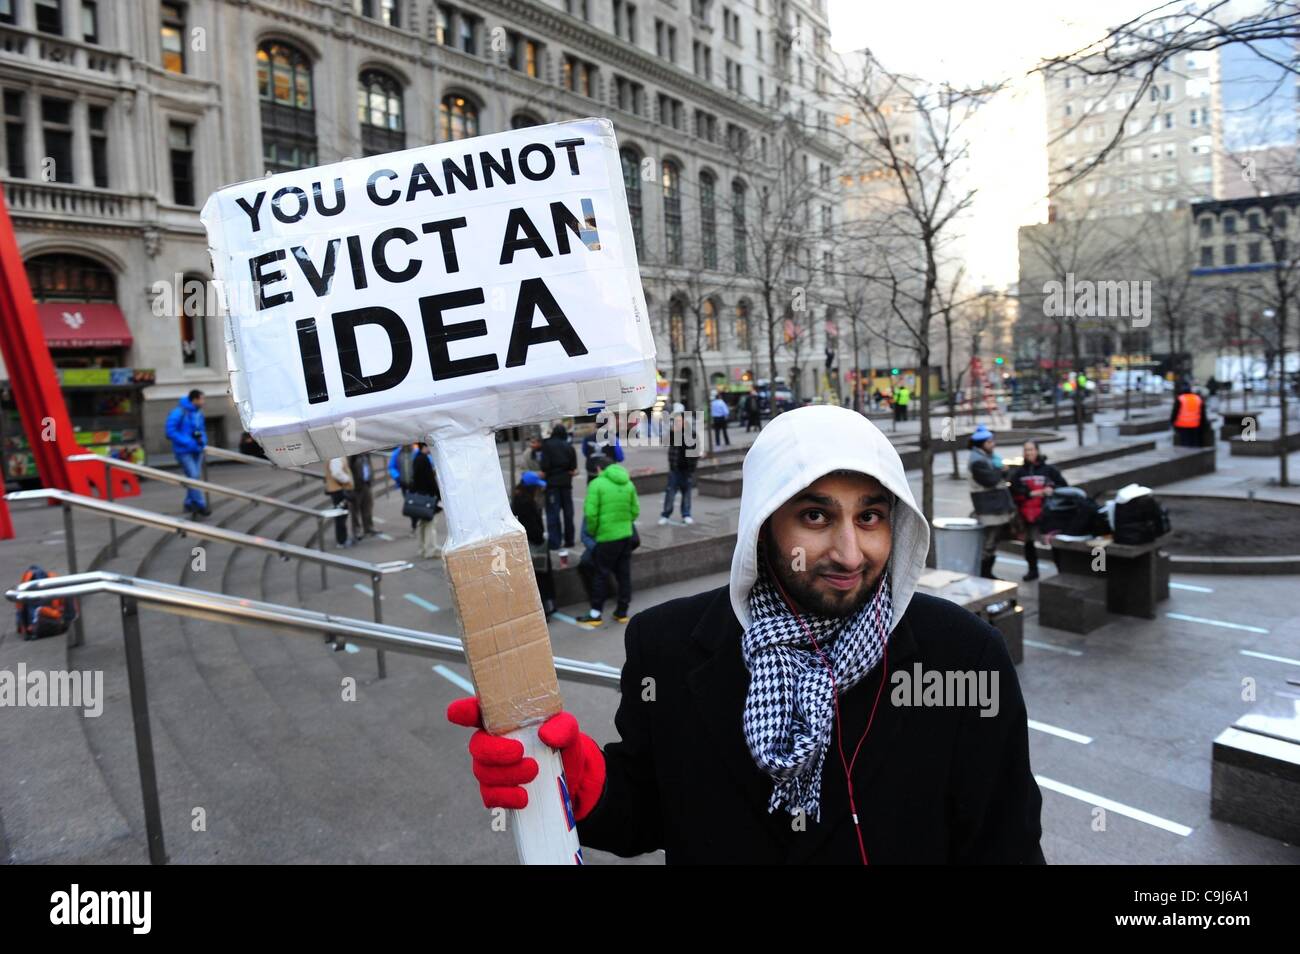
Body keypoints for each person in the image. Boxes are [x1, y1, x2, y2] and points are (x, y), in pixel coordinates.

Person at [446, 405, 1043, 863]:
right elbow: (648, 812)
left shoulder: (963, 659)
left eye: (870, 516)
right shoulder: (670, 647)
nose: (848, 552)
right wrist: (579, 781)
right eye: (815, 516)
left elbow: (1006, 847)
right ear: (763, 525)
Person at [578, 457, 639, 627]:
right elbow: (635, 511)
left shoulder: (596, 484)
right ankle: (622, 612)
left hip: (606, 538)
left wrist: (594, 531)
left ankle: (596, 613)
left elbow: (590, 514)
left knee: (600, 574)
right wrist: (624, 523)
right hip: (625, 535)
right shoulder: (628, 483)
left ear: (598, 468)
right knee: (624, 574)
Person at [1008, 440, 1068, 582]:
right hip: (1026, 514)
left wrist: (1051, 489)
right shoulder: (1019, 472)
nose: (1029, 453)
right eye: (1026, 450)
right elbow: (1014, 490)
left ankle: (1061, 570)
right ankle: (1033, 570)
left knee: (1054, 543)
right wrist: (1030, 494)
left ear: (1037, 451)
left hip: (1047, 513)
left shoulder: (1049, 470)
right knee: (1029, 543)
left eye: (1031, 450)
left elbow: (1063, 485)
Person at [967, 425, 1015, 579]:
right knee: (988, 544)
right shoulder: (977, 461)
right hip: (989, 509)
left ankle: (987, 573)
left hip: (995, 507)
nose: (992, 445)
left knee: (992, 543)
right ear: (981, 444)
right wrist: (1002, 470)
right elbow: (991, 480)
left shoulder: (985, 457)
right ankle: (984, 574)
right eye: (989, 442)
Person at [511, 471, 555, 619]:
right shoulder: (526, 503)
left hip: (528, 544)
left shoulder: (519, 498)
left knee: (538, 576)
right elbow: (533, 528)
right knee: (541, 576)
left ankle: (546, 607)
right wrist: (541, 539)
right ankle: (546, 608)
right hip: (534, 545)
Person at [165, 389, 209, 518]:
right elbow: (170, 431)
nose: (203, 402)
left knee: (193, 477)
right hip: (184, 451)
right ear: (194, 399)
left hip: (197, 449)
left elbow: (201, 429)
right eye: (201, 399)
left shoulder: (198, 413)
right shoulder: (178, 412)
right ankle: (200, 505)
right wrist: (188, 442)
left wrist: (203, 441)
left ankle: (189, 502)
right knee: (194, 476)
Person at [539, 423, 578, 551]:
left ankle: (555, 542)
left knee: (553, 514)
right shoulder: (569, 447)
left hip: (552, 484)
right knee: (568, 513)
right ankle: (569, 540)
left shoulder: (547, 446)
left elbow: (545, 465)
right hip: (566, 484)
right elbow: (573, 468)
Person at [659, 409, 697, 525]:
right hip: (675, 469)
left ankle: (686, 514)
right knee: (670, 493)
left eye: (680, 421)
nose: (678, 423)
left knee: (686, 493)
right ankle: (665, 515)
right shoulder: (673, 433)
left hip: (687, 469)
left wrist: (693, 468)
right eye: (676, 421)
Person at [410, 442, 441, 559]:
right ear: (425, 447)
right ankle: (430, 550)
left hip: (420, 497)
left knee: (423, 524)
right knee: (430, 524)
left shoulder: (416, 458)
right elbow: (431, 481)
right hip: (428, 497)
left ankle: (422, 549)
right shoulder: (424, 460)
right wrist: (438, 495)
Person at [389, 442, 422, 533]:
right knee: (410, 504)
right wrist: (397, 476)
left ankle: (417, 522)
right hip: (404, 484)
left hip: (415, 484)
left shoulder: (416, 452)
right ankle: (414, 524)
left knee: (417, 503)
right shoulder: (397, 453)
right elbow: (392, 467)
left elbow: (426, 462)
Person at [324, 456, 354, 548]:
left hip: (338, 490)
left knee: (341, 516)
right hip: (339, 490)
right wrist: (347, 479)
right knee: (341, 516)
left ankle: (342, 539)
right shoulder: (336, 456)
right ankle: (341, 541)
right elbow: (337, 473)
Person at [348, 453, 376, 539]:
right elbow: (349, 470)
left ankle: (368, 528)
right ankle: (356, 530)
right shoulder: (353, 456)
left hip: (366, 484)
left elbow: (369, 467)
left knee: (368, 507)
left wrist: (371, 479)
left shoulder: (366, 455)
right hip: (356, 486)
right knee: (355, 510)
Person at [1171, 382, 1206, 447]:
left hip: (1182, 425)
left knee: (1185, 443)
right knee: (1194, 442)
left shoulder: (1180, 398)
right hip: (1195, 424)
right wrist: (1203, 425)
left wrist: (1172, 422)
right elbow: (1203, 413)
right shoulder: (1197, 398)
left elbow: (1175, 412)